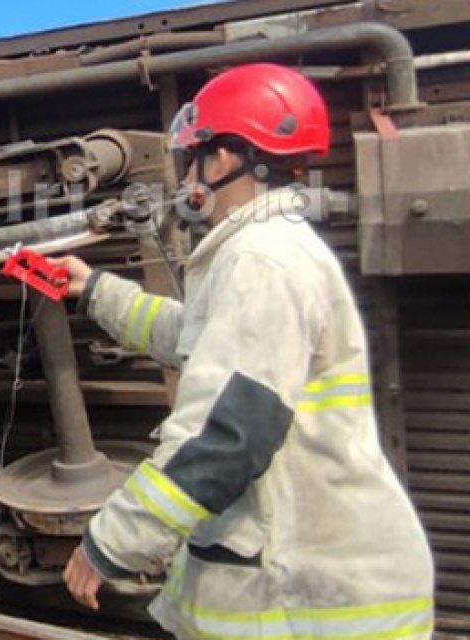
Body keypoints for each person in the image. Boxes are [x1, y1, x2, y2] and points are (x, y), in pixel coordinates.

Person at [59, 63, 435, 638]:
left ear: (226, 159)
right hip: (320, 588)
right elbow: (200, 340)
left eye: (195, 155)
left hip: (313, 603)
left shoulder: (261, 260)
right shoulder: (270, 249)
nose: (188, 174)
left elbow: (221, 435)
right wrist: (96, 291)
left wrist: (109, 544)